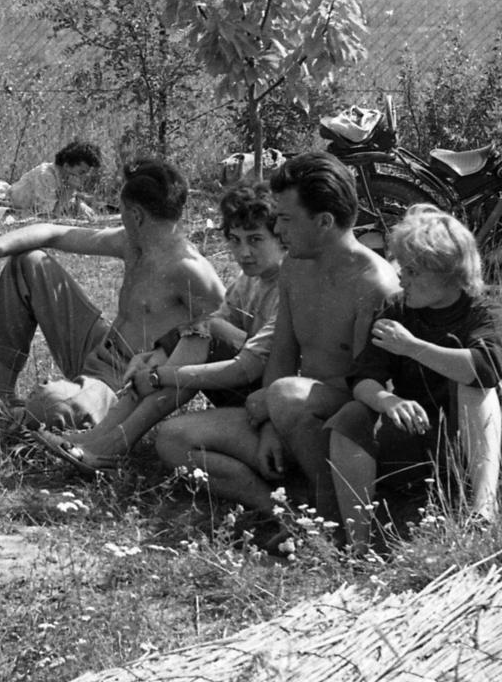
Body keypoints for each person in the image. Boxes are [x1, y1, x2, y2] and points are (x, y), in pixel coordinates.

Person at [155, 152, 399, 549]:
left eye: (286, 219)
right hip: (292, 416)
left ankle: (332, 519)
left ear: (323, 222)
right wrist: (270, 425)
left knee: (287, 394)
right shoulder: (296, 268)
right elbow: (282, 354)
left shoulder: (375, 284)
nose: (278, 228)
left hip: (346, 430)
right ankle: (285, 509)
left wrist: (280, 403)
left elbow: (367, 385)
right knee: (172, 438)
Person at [0, 157, 224, 432]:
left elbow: (233, 336)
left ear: (136, 216)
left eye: (123, 210)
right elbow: (52, 232)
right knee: (29, 263)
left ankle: (34, 413)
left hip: (122, 383)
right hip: (100, 347)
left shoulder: (191, 271)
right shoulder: (133, 242)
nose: (122, 217)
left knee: (50, 404)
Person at [33, 180, 285, 472]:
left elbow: (247, 360)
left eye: (256, 240)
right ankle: (101, 435)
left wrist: (161, 376)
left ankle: (116, 444)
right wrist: (153, 356)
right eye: (235, 240)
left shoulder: (289, 285)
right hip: (248, 387)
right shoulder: (249, 281)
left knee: (205, 333)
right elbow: (213, 324)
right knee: (194, 332)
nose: (244, 252)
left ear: (280, 238)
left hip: (269, 396)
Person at [327, 206, 502, 555]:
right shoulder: (398, 309)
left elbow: (485, 369)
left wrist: (412, 347)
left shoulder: (483, 313)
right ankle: (359, 544)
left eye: (411, 270)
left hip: (468, 445)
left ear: (446, 271)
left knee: (473, 386)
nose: (400, 278)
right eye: (400, 266)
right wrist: (388, 401)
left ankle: (484, 507)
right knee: (350, 416)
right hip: (414, 437)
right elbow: (363, 378)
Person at [6, 139, 103, 218]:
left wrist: (80, 204)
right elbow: (50, 218)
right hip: (12, 203)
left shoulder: (64, 176)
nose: (84, 178)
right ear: (67, 166)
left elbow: (69, 198)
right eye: (81, 172)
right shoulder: (46, 178)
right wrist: (69, 191)